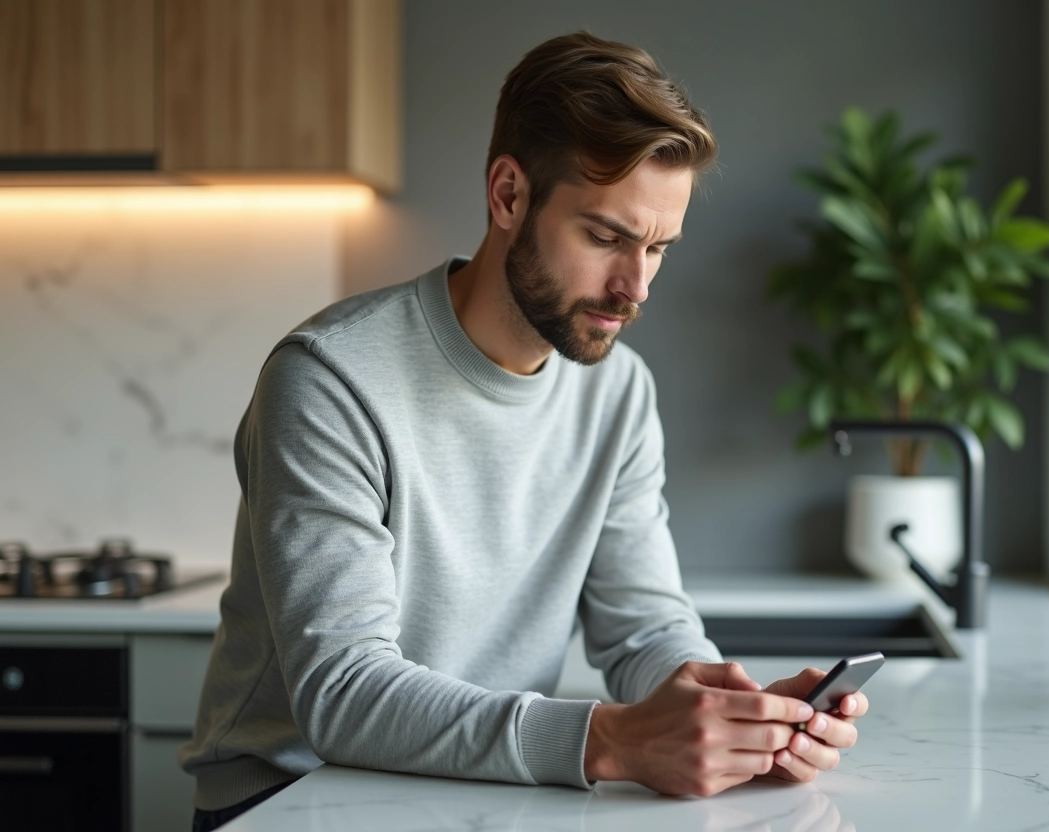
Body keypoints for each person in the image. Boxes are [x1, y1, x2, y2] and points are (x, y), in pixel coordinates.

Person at [180, 30, 869, 831]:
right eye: (606, 237)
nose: (635, 287)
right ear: (508, 195)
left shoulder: (618, 392)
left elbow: (643, 628)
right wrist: (608, 740)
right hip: (292, 801)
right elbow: (344, 693)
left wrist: (730, 713)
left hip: (477, 794)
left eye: (658, 248)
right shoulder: (332, 379)